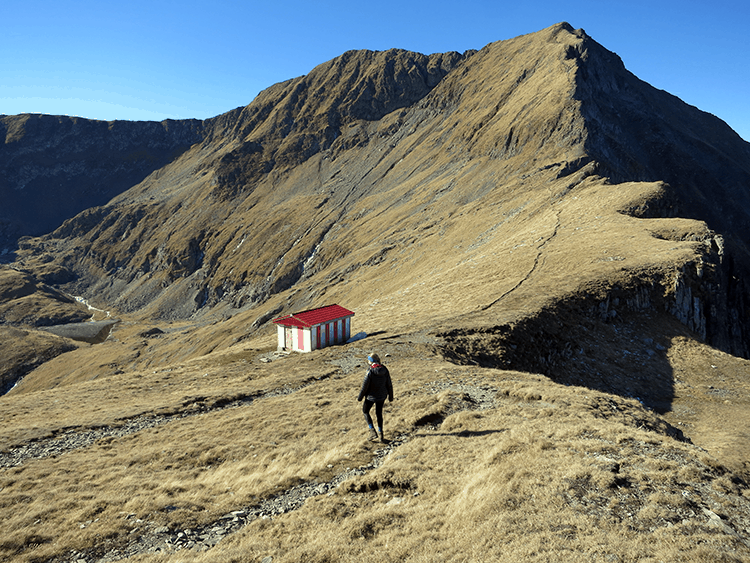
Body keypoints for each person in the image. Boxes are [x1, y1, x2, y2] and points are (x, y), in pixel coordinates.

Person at [357, 352, 394, 442]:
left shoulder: (370, 371)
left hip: (370, 397)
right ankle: (381, 435)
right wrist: (391, 396)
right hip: (382, 396)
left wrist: (360, 397)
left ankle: (372, 431)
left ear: (370, 361)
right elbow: (389, 384)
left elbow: (364, 387)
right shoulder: (384, 369)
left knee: (365, 411)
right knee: (379, 414)